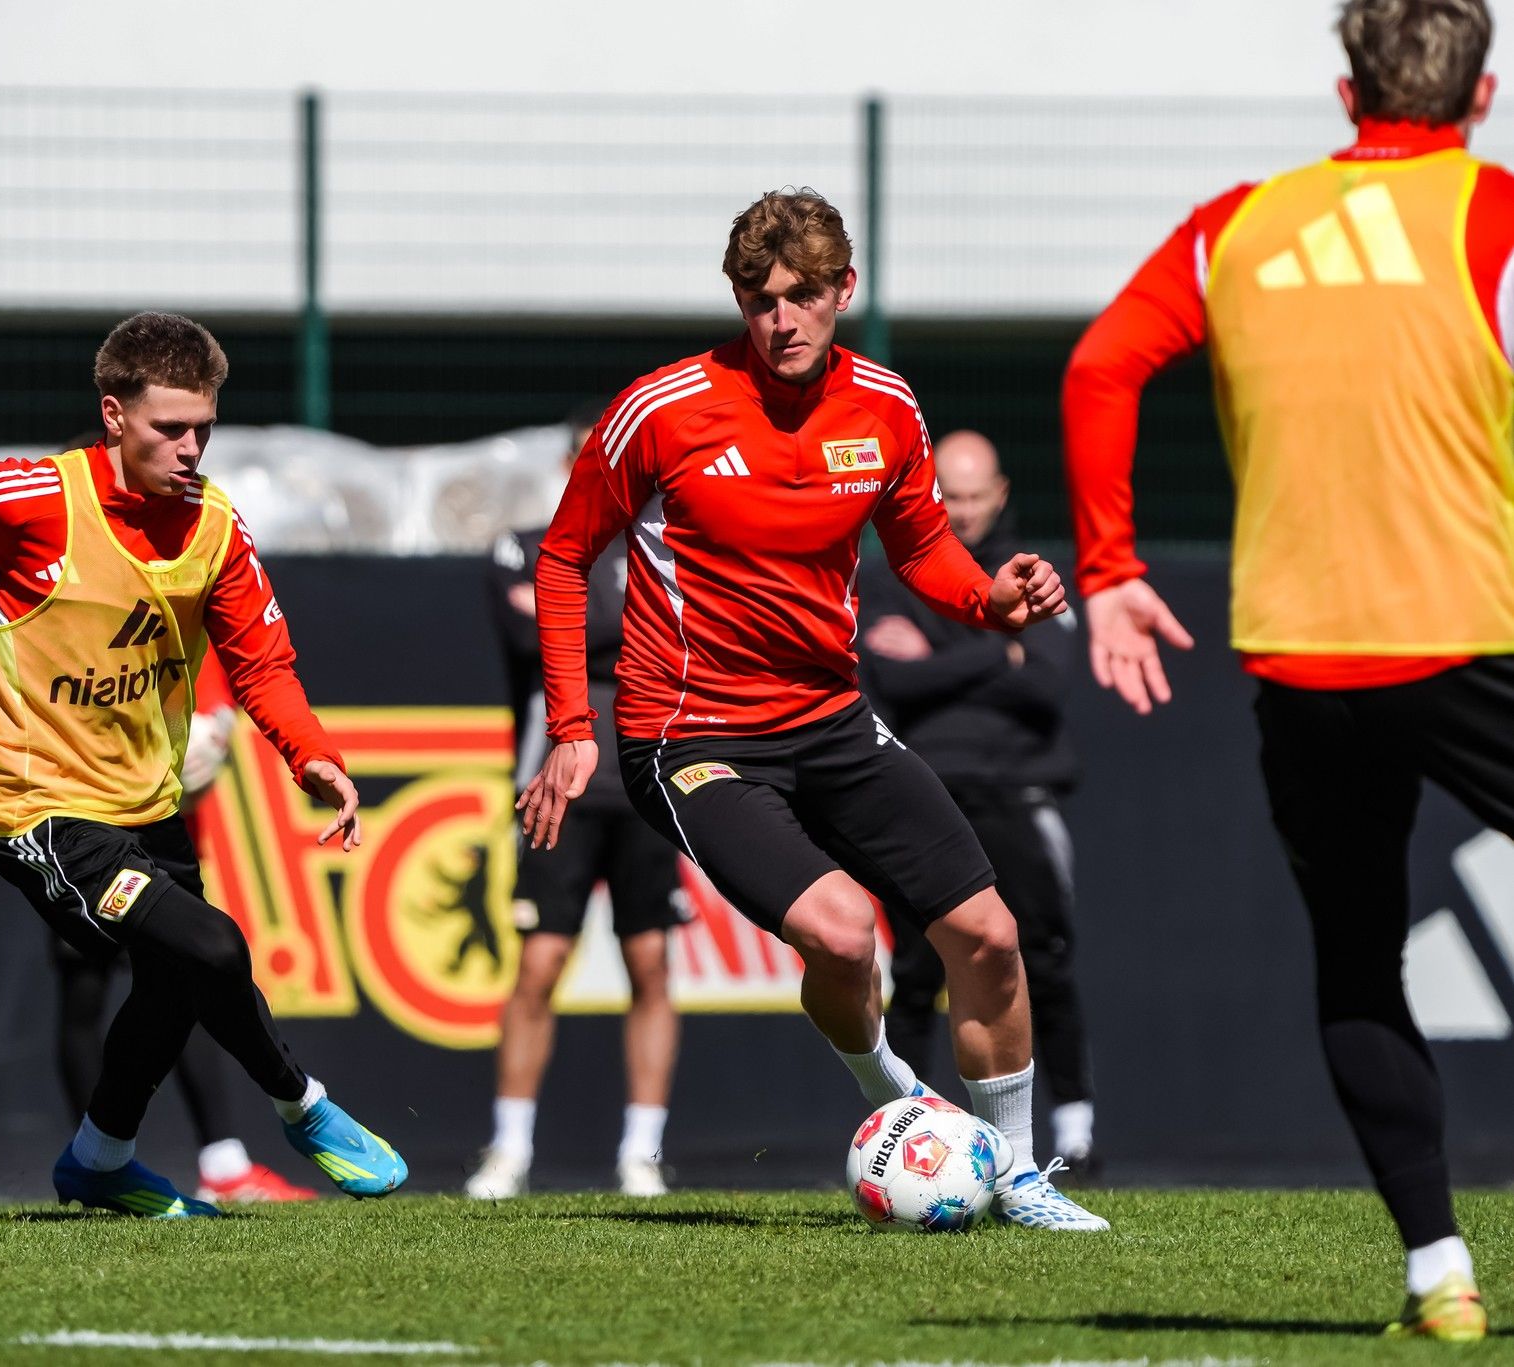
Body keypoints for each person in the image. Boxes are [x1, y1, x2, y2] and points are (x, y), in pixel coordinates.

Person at [520, 189, 1105, 1231]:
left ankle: (1014, 1171)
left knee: (991, 935)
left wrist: (991, 597)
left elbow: (922, 546)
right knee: (843, 937)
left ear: (846, 290)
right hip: (689, 734)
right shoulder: (660, 411)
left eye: (800, 296)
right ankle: (903, 1110)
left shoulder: (884, 406)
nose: (778, 319)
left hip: (830, 718)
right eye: (757, 298)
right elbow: (564, 555)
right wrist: (572, 726)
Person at [1063, 0, 1505, 1336]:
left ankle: (1436, 1272)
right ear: (1478, 97)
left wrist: (1108, 568)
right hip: (1469, 633)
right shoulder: (1488, 213)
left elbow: (1096, 366)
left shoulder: (1235, 225)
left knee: (1359, 966)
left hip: (1306, 659)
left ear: (1341, 90)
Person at [0, 310, 406, 1217]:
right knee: (215, 946)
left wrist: (313, 756)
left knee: (177, 979)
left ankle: (100, 1158)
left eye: (204, 429)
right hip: (38, 810)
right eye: (169, 428)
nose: (191, 448)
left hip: (147, 803)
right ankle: (302, 1105)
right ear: (113, 415)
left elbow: (262, 664)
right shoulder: (35, 499)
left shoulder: (216, 525)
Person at [858, 430, 1097, 1174]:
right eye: (948, 497)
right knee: (921, 971)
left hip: (1019, 796)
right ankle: (907, 1133)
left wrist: (940, 658)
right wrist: (1003, 649)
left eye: (973, 497)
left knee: (1042, 960)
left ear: (1000, 494)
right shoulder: (896, 571)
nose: (961, 513)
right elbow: (893, 681)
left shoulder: (1030, 572)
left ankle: (1075, 1131)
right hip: (925, 795)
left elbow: (1046, 678)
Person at [466, 404, 688, 1200]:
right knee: (540, 962)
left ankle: (642, 1152)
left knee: (652, 961)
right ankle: (510, 1147)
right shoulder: (522, 546)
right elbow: (537, 636)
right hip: (554, 782)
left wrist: (588, 620)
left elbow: (671, 637)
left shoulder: (666, 548)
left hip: (646, 775)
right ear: (569, 465)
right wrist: (610, 624)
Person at [50, 647, 317, 1205]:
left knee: (184, 980)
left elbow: (212, 720)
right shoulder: (86, 597)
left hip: (163, 841)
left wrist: (204, 739)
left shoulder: (191, 602)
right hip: (77, 829)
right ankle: (99, 1162)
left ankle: (221, 1165)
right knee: (85, 989)